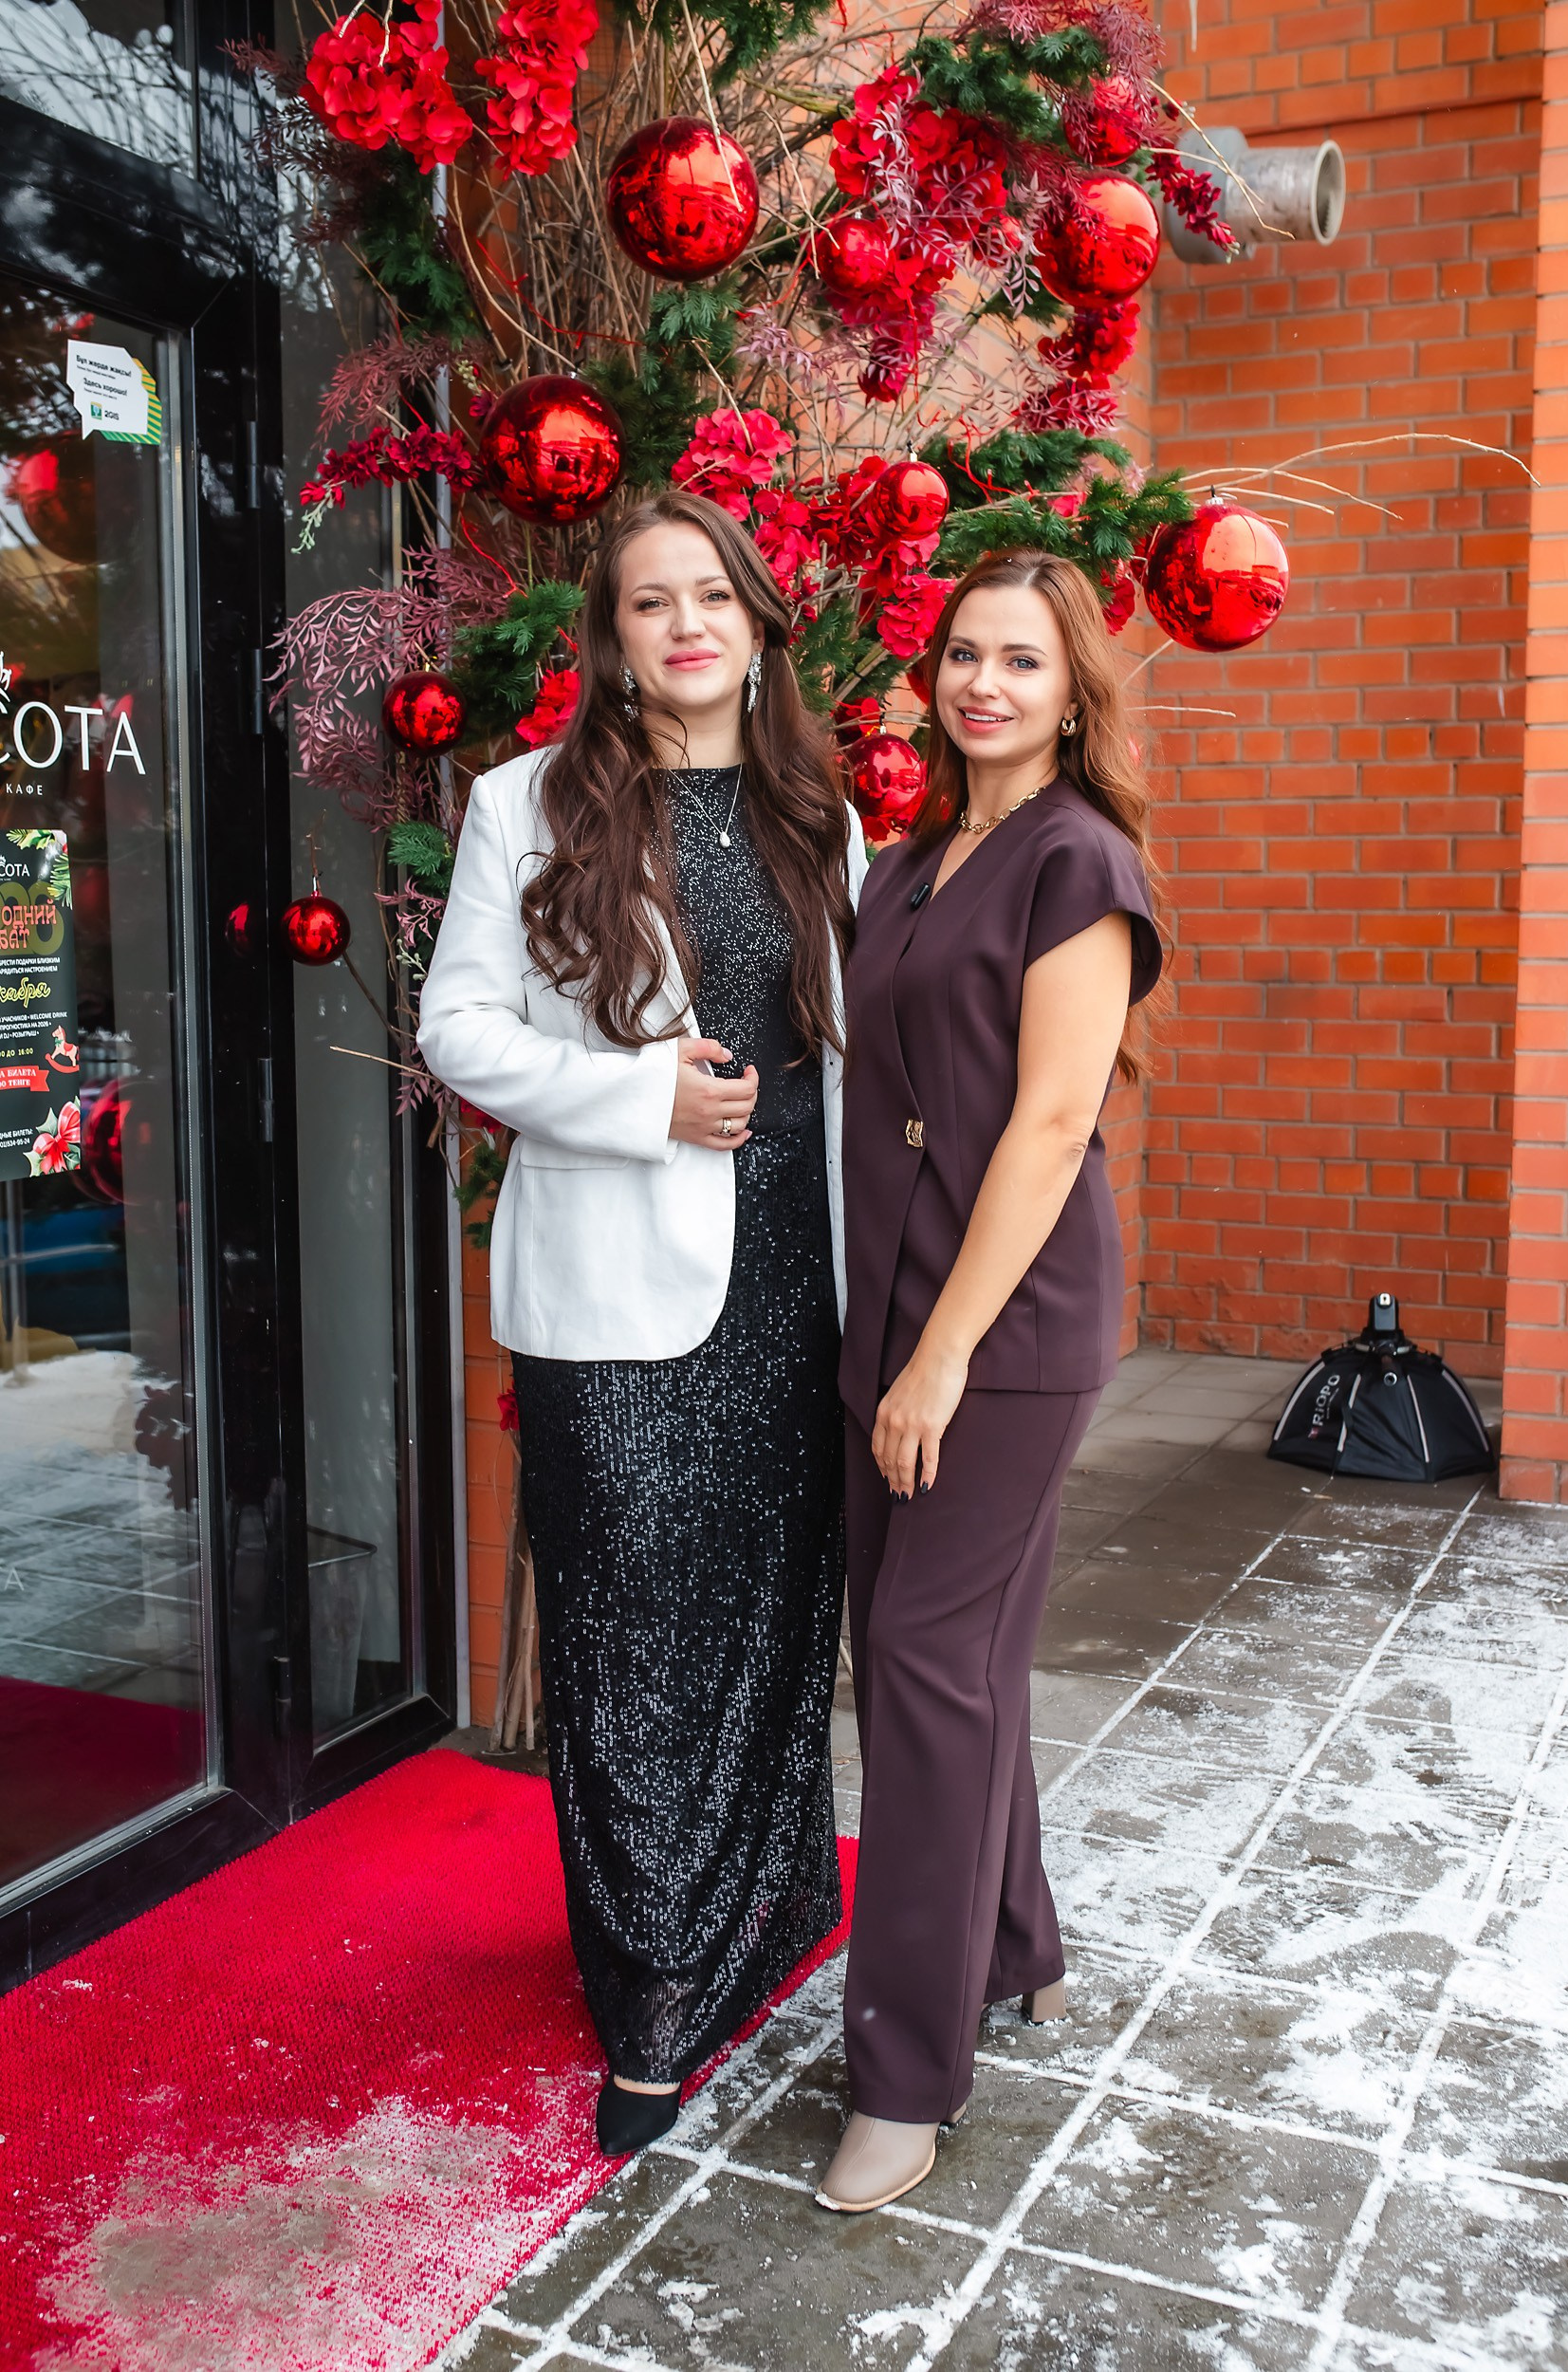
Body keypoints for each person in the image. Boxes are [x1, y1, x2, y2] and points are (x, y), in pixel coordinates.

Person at [416, 491, 866, 2158]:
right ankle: (651, 2003)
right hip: (613, 1293)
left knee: (771, 1619)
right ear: (609, 638)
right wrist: (634, 1098)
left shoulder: (816, 810)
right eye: (650, 603)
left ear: (755, 623)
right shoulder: (525, 803)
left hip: (798, 1285)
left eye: (712, 598)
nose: (686, 626)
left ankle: (761, 1914)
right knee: (622, 1649)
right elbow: (458, 1027)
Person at [817, 550, 1166, 2214]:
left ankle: (906, 2076)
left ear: (1072, 689)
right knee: (942, 1659)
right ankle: (1018, 1943)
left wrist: (943, 1357)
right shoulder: (903, 862)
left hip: (1003, 1335)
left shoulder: (1081, 859)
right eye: (965, 653)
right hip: (890, 1310)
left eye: (1022, 660)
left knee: (923, 1661)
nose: (984, 684)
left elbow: (1051, 1122)